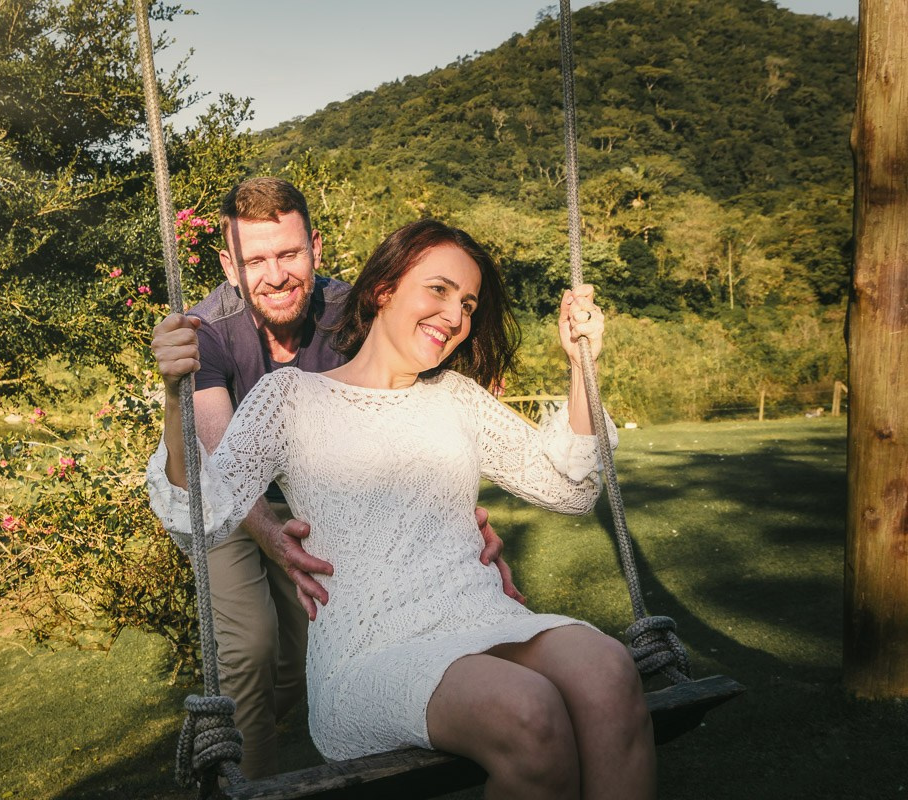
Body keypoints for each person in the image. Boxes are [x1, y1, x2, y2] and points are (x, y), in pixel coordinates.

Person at [149, 219, 655, 798]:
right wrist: (174, 394)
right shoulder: (291, 399)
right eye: (438, 290)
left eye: (467, 303)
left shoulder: (457, 399)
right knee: (529, 712)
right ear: (385, 288)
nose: (455, 315)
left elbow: (570, 488)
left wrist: (578, 364)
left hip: (482, 616)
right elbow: (201, 514)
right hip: (370, 651)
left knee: (611, 671)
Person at [183, 178, 522, 777]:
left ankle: (269, 716)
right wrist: (274, 540)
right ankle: (256, 789)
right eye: (254, 260)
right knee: (250, 650)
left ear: (314, 245)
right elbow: (220, 466)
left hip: (322, 502)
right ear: (228, 267)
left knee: (299, 659)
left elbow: (410, 411)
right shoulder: (207, 330)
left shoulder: (351, 312)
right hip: (233, 502)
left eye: (289, 254)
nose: (276, 274)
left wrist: (454, 525)